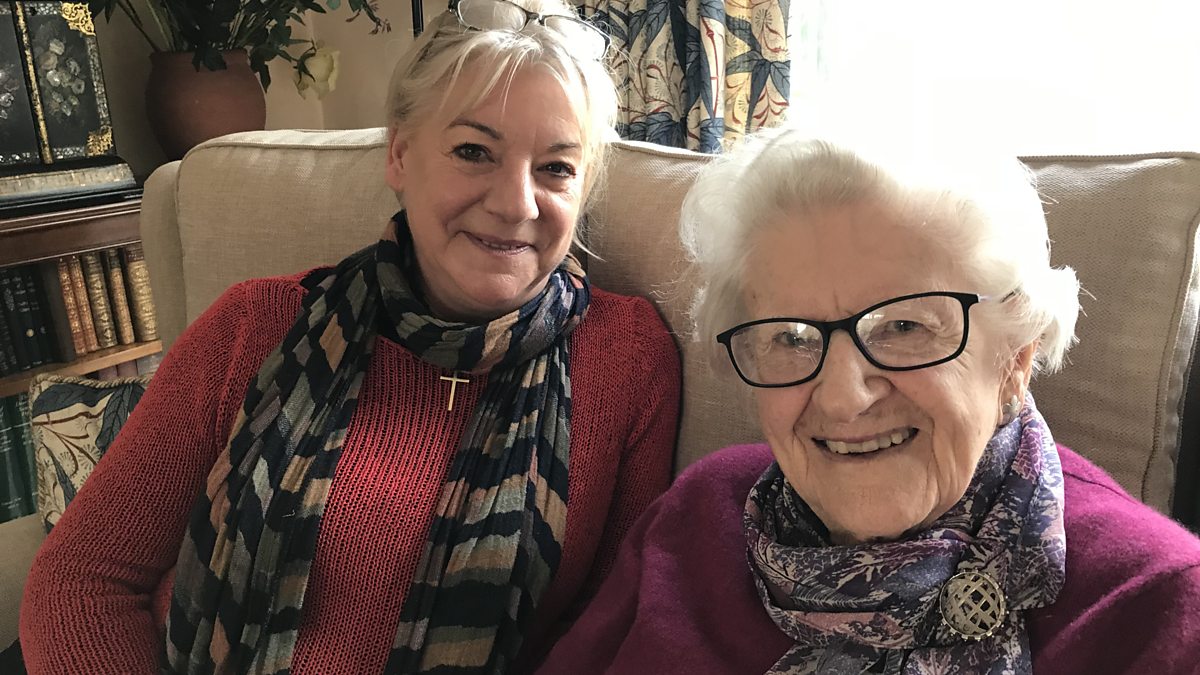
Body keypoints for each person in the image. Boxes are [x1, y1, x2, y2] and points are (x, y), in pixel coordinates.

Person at [20, 1, 681, 672]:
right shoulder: (252, 326)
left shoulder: (626, 358)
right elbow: (80, 581)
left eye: (556, 167)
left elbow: (613, 634)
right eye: (473, 151)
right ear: (400, 155)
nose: (516, 203)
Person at [536, 128, 1200, 674]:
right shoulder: (698, 516)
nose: (843, 398)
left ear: (1015, 358)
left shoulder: (1156, 607)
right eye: (791, 337)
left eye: (904, 327)